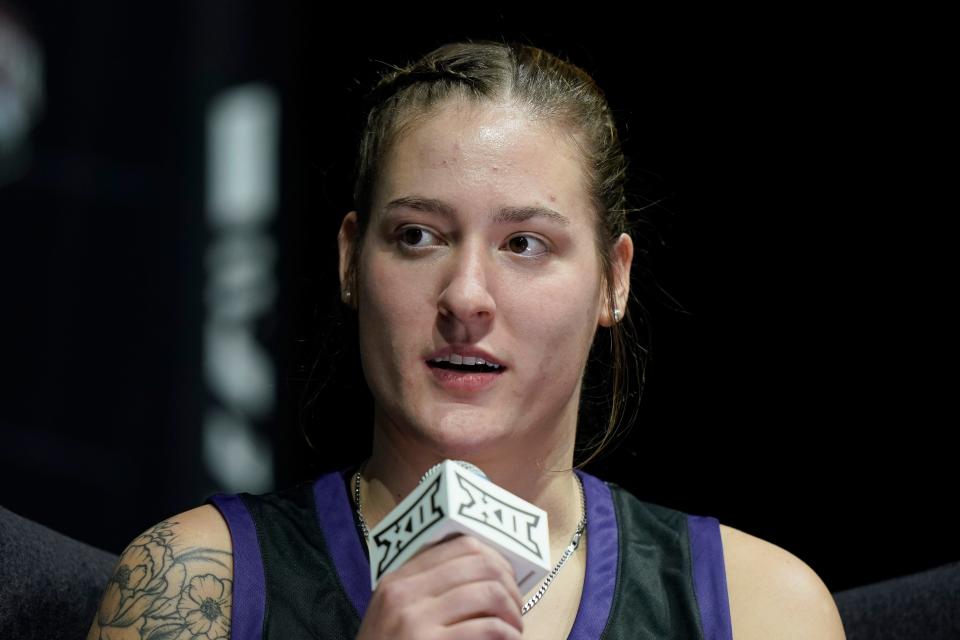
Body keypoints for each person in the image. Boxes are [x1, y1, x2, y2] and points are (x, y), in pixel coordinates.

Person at [87, 41, 846, 640]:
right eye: (417, 236)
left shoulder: (760, 611)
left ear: (614, 281)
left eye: (525, 244)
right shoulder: (193, 583)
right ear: (351, 261)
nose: (466, 297)